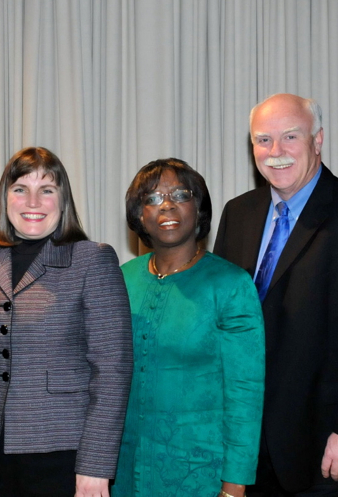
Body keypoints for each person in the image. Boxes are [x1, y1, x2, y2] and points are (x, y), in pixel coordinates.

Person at [213, 93, 338, 496]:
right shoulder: (238, 213)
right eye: (263, 140)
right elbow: (222, 323)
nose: (276, 152)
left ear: (317, 140)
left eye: (290, 137)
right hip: (243, 447)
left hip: (327, 449)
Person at [0, 146, 133, 497]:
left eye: (47, 190)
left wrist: (96, 465)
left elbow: (112, 369)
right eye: (20, 189)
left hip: (62, 454)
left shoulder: (92, 260)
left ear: (62, 200)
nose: (33, 201)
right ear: (5, 198)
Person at [114, 158, 265, 497]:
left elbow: (245, 396)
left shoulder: (231, 285)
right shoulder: (122, 278)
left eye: (180, 194)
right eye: (151, 198)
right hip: (122, 470)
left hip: (198, 474)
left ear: (198, 208)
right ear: (140, 216)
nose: (166, 204)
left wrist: (234, 485)